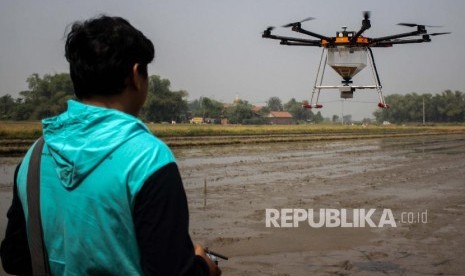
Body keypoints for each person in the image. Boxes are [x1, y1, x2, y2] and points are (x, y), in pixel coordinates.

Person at [0, 15, 220, 276]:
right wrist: (203, 266)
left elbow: (15, 259)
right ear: (136, 75)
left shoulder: (34, 156)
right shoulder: (148, 158)